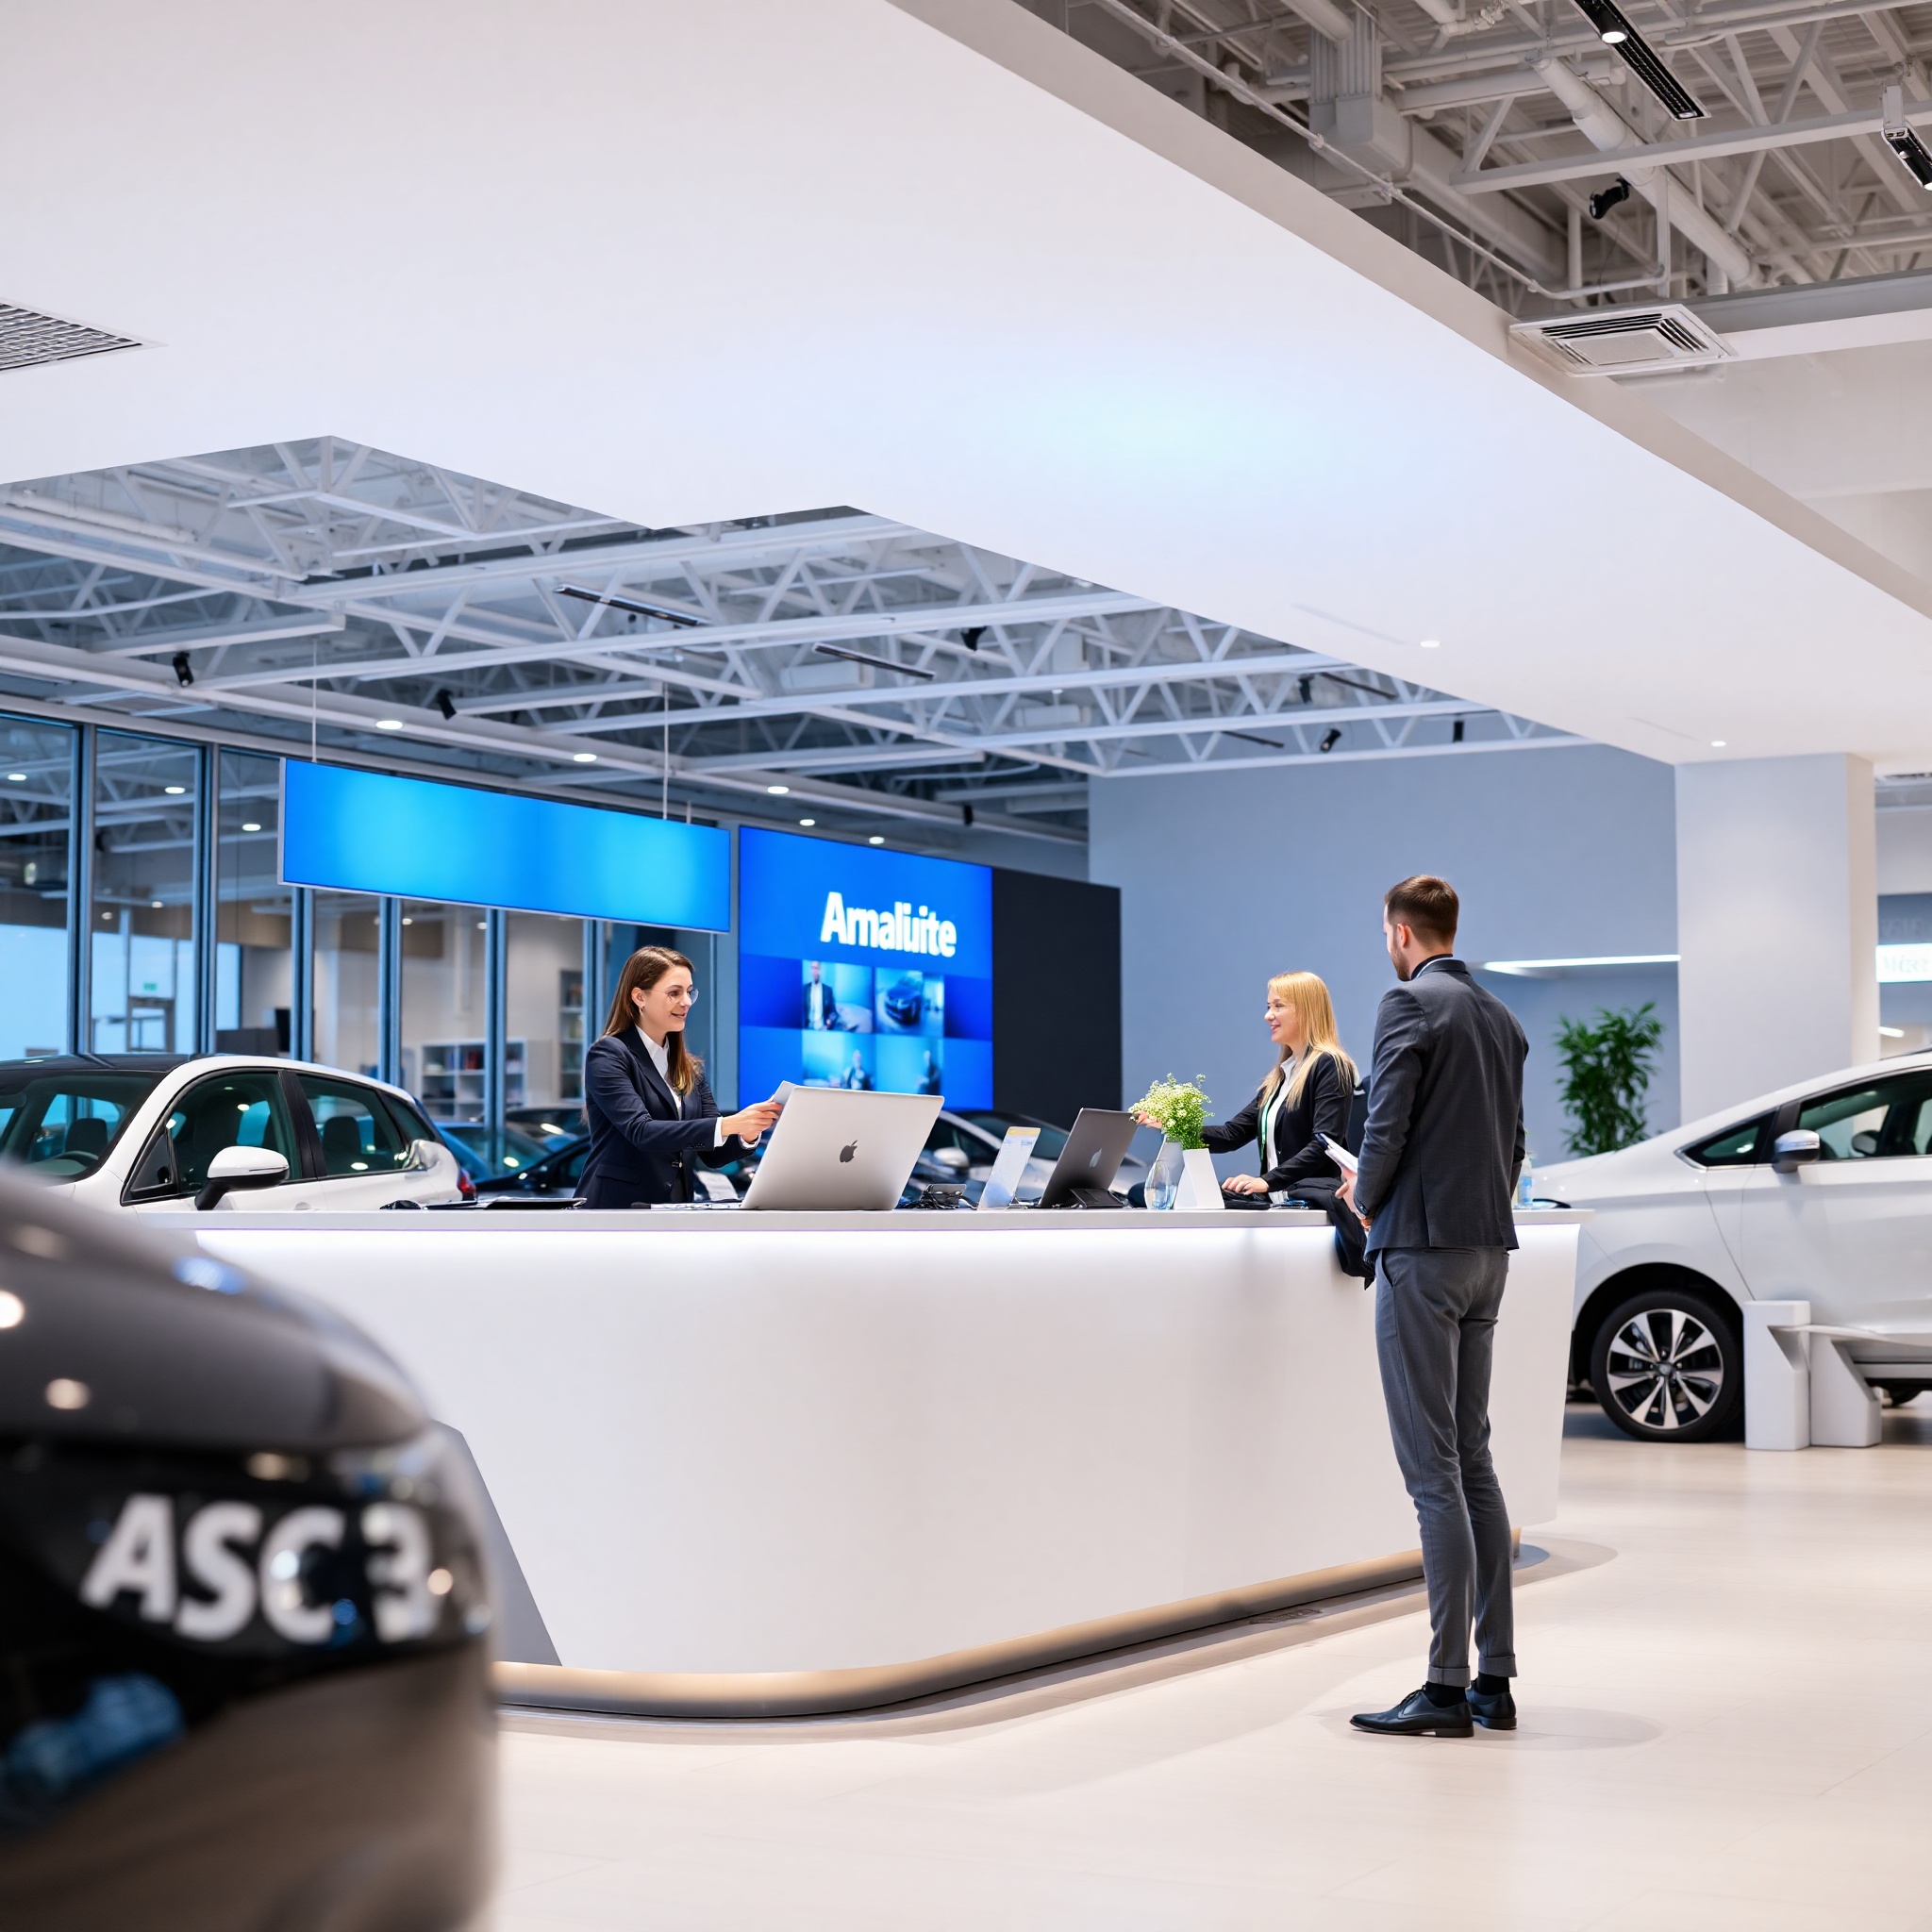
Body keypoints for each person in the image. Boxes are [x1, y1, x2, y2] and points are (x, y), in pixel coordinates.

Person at [1338, 875, 1527, 1740]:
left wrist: (1364, 1199)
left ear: (1401, 932)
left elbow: (1386, 1124)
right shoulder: (1499, 1018)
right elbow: (1515, 1143)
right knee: (1475, 1462)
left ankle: (1444, 1689)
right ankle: (1494, 1680)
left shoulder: (1408, 1003)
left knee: (1433, 1473)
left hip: (1421, 1250)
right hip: (1488, 1251)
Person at [577, 946, 781, 1208]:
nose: (686, 1002)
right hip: (616, 1210)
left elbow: (713, 1154)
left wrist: (749, 1132)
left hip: (674, 1211)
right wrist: (731, 1123)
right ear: (639, 997)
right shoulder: (609, 1054)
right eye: (674, 993)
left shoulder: (690, 1067)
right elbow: (642, 1132)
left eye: (689, 992)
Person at [1195, 972, 1355, 1197]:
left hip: (1310, 1207)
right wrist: (1175, 1126)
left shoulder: (1330, 1065)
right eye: (1269, 1006)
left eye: (1278, 1006)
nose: (1268, 1016)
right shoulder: (1281, 1077)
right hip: (1278, 1204)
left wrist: (1267, 1181)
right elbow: (1232, 1134)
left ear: (1306, 1010)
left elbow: (1324, 1145)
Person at [804, 961, 843, 1031]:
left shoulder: (828, 990)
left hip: (822, 1028)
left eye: (816, 968)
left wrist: (829, 1022)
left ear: (820, 970)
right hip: (806, 1028)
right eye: (812, 968)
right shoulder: (805, 989)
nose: (814, 971)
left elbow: (833, 1012)